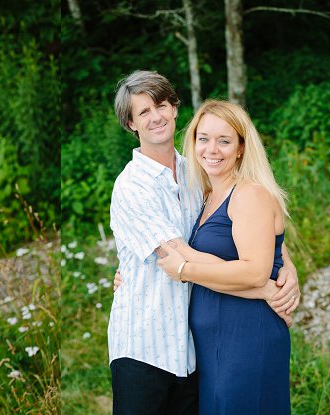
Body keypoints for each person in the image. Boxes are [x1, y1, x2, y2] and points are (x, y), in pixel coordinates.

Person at [107, 70, 299, 415]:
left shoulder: (199, 175)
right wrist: (263, 286)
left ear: (175, 108)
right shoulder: (132, 186)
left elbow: (246, 228)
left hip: (193, 349)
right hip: (145, 345)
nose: (156, 117)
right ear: (131, 124)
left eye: (161, 105)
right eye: (143, 112)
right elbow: (178, 257)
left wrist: (284, 263)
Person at [156, 100, 292, 414]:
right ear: (192, 143)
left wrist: (184, 269)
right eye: (203, 138)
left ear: (241, 148)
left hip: (246, 336)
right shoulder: (204, 196)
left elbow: (255, 272)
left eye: (224, 140)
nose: (211, 149)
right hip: (213, 344)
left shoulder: (248, 193)